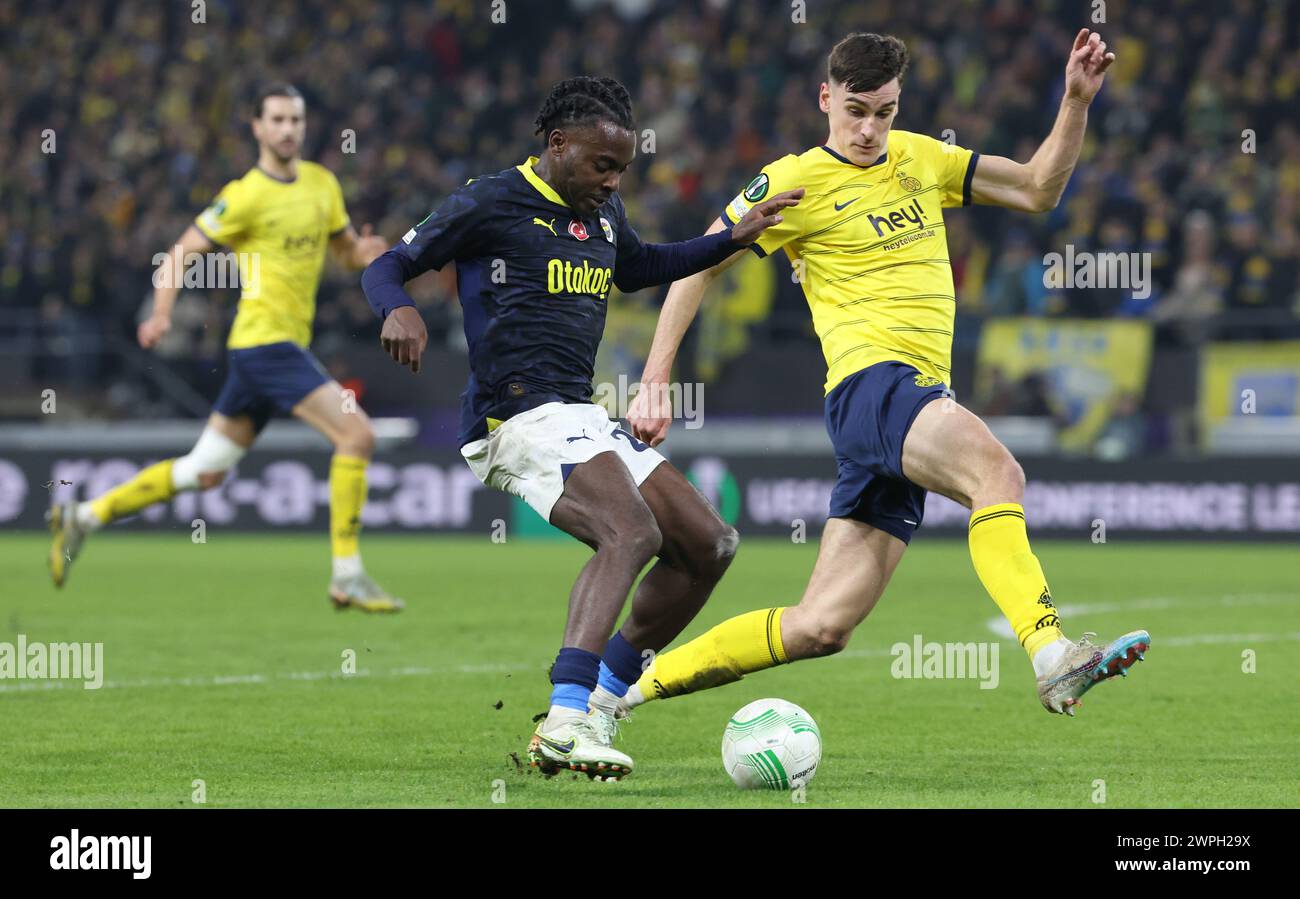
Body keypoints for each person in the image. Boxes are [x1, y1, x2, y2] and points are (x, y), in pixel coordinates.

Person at [624, 31, 1149, 719]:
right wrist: (656, 376)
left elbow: (1035, 188)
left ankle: (624, 689)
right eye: (856, 110)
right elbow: (701, 263)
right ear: (825, 99)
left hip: (910, 400)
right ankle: (1052, 654)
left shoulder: (921, 158)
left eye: (886, 111)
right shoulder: (790, 181)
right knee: (998, 474)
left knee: (821, 626)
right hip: (873, 386)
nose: (870, 128)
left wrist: (1076, 101)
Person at [362, 76, 802, 779]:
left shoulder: (603, 216)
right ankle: (565, 718)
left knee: (709, 543)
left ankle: (599, 701)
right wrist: (396, 308)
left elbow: (644, 267)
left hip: (580, 413)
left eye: (622, 167)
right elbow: (389, 264)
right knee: (631, 532)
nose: (612, 180)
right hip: (514, 415)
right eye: (602, 164)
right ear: (557, 143)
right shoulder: (492, 199)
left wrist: (734, 239)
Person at [49, 84, 403, 613]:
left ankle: (84, 516)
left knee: (205, 471)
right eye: (277, 119)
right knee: (357, 434)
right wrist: (161, 312)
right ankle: (347, 575)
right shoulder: (244, 195)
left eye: (295, 120)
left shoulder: (323, 184)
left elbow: (346, 250)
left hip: (266, 351)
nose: (288, 129)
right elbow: (181, 252)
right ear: (257, 128)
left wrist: (366, 253)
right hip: (266, 344)